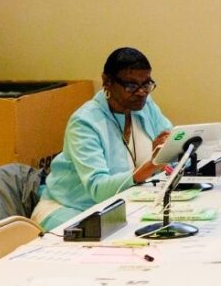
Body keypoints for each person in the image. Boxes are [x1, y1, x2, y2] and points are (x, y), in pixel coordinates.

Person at [31, 47, 172, 231]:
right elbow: (98, 189)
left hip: (121, 205)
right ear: (107, 82)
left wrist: (174, 149)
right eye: (131, 85)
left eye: (146, 84)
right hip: (70, 209)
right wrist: (152, 165)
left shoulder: (145, 106)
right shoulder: (84, 122)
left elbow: (171, 145)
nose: (141, 92)